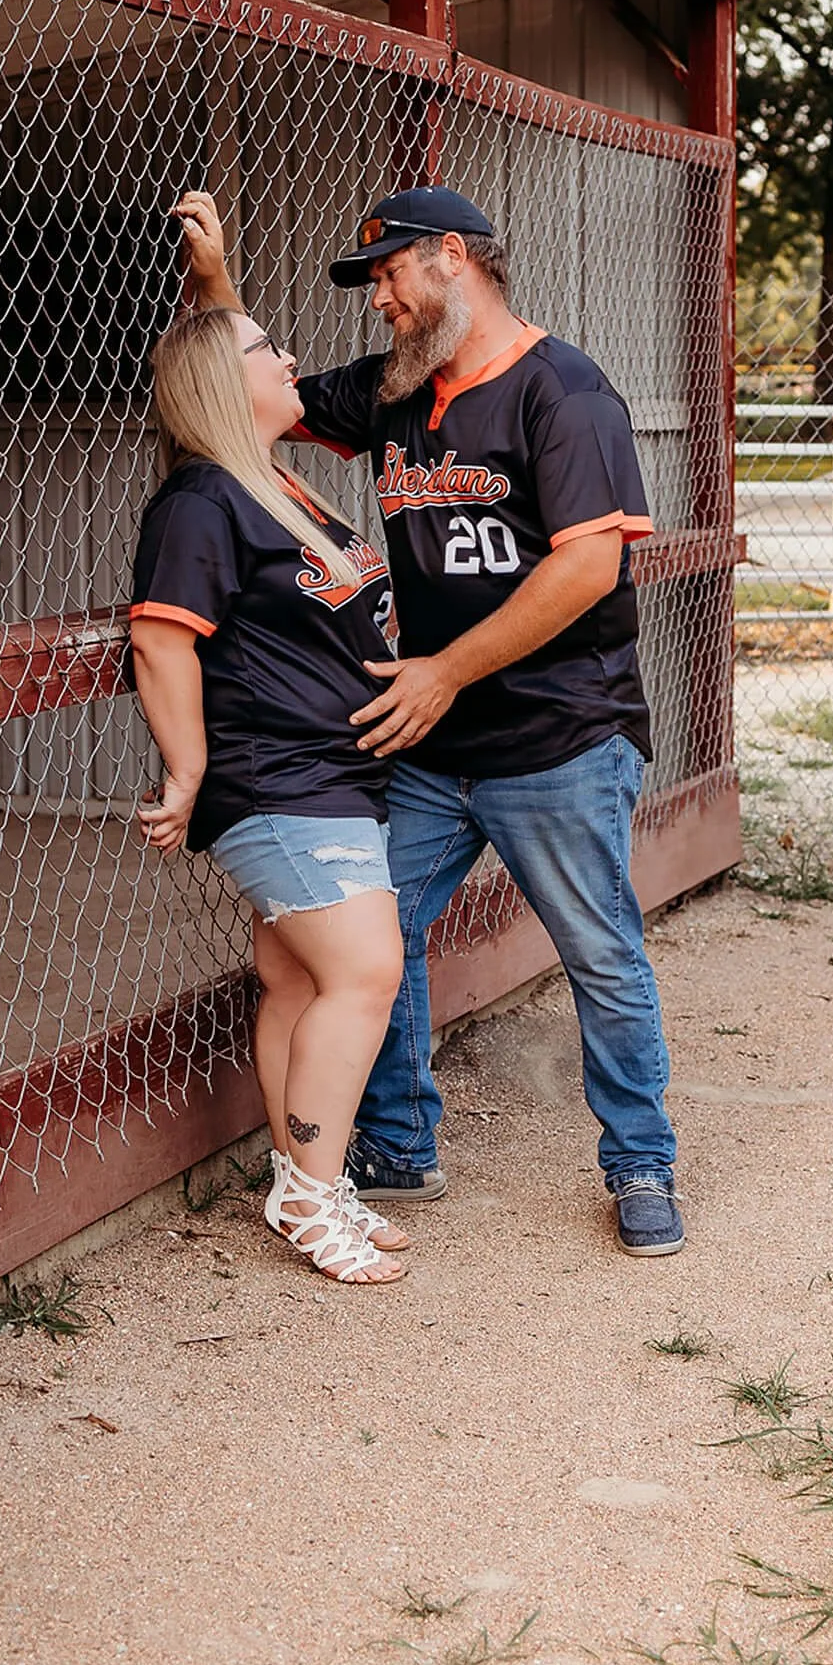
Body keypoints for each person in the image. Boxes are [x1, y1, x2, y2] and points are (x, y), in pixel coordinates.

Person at [172, 184, 685, 1257]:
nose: (378, 302)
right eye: (370, 285)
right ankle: (398, 1146)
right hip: (427, 741)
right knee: (375, 934)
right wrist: (214, 280)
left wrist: (445, 669)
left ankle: (640, 1161)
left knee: (597, 950)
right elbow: (256, 397)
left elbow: (590, 563)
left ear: (453, 257)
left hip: (558, 736)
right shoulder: (399, 388)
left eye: (390, 275)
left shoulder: (564, 391)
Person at [129, 299, 410, 1286]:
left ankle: (312, 1179)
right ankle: (303, 1194)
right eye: (267, 350)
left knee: (298, 982)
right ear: (217, 382)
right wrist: (190, 770)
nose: (292, 359)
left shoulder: (275, 484)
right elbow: (162, 636)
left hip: (332, 772)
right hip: (277, 776)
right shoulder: (200, 500)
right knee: (366, 972)